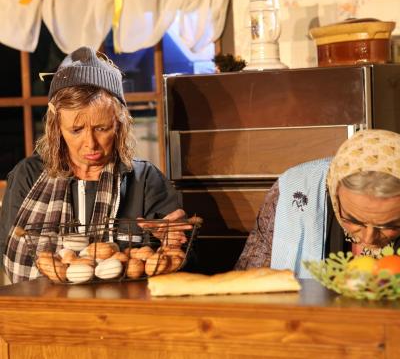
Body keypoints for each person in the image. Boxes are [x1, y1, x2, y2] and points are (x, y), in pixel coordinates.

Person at [0, 46, 189, 283]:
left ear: (119, 124)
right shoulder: (28, 175)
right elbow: (8, 252)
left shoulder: (144, 180)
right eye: (76, 130)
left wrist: (172, 243)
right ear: (56, 127)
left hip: (123, 313)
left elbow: (183, 262)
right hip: (44, 312)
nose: (90, 144)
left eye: (102, 128)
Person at [235, 129, 400, 278]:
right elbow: (249, 280)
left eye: (388, 226)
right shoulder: (294, 190)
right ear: (335, 196)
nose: (368, 238)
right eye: (353, 220)